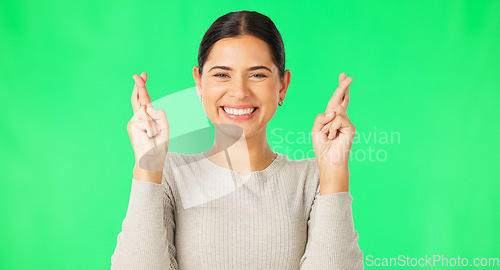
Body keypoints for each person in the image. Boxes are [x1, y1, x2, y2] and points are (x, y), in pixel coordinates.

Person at [111, 10, 363, 269]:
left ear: (282, 85)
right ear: (199, 82)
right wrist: (147, 166)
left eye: (257, 74)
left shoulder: (313, 179)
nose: (239, 92)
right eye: (222, 75)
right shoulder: (169, 174)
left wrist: (334, 172)